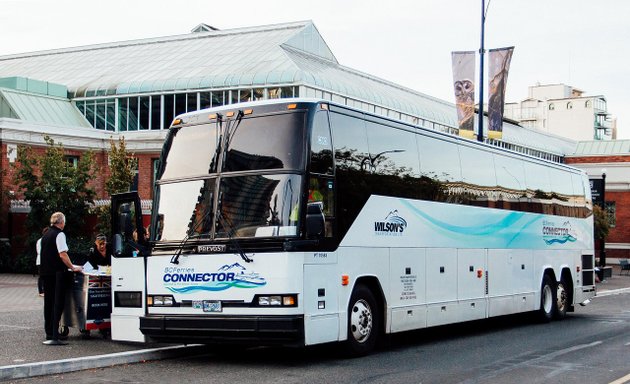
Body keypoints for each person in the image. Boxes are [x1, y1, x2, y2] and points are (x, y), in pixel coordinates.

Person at [40, 212, 82, 345]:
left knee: (49, 303)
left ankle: (49, 332)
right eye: (64, 221)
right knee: (57, 303)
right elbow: (63, 254)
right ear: (61, 222)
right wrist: (73, 267)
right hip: (57, 273)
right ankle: (55, 335)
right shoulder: (60, 234)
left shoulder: (46, 235)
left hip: (46, 273)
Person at [35, 227, 49, 297]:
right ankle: (41, 291)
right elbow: (40, 251)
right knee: (41, 276)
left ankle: (44, 290)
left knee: (44, 276)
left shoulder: (41, 240)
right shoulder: (41, 240)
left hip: (43, 260)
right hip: (41, 261)